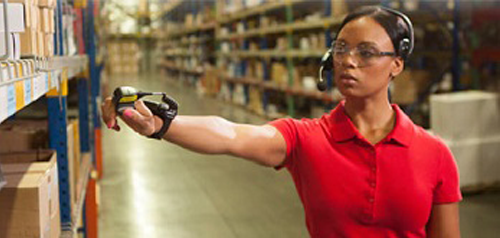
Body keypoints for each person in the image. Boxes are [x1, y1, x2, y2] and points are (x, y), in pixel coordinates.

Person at [102, 6, 461, 238]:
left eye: (366, 52)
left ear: (396, 63)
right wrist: (163, 125)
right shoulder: (307, 139)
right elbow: (230, 134)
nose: (348, 61)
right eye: (340, 49)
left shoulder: (435, 154)